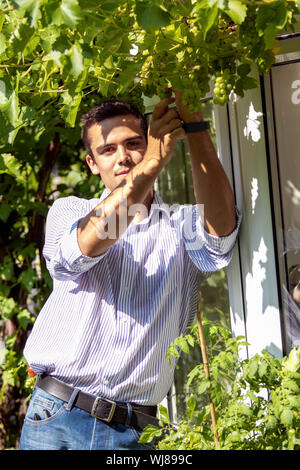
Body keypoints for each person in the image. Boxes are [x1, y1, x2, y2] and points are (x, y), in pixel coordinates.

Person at [19, 90, 241, 450]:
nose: (123, 157)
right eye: (108, 150)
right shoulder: (70, 210)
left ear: (152, 141)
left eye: (134, 143)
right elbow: (85, 247)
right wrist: (149, 166)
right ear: (92, 163)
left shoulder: (180, 225)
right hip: (58, 415)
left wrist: (196, 128)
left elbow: (220, 240)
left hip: (134, 431)